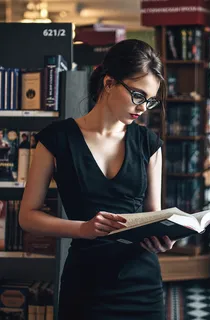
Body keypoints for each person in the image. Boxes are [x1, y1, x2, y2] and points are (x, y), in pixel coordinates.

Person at [19, 39, 176, 320]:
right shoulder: (56, 139)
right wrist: (84, 229)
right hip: (85, 283)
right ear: (109, 83)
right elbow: (27, 217)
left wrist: (164, 238)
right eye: (138, 95)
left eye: (150, 101)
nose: (143, 108)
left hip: (142, 284)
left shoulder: (149, 143)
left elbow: (154, 215)